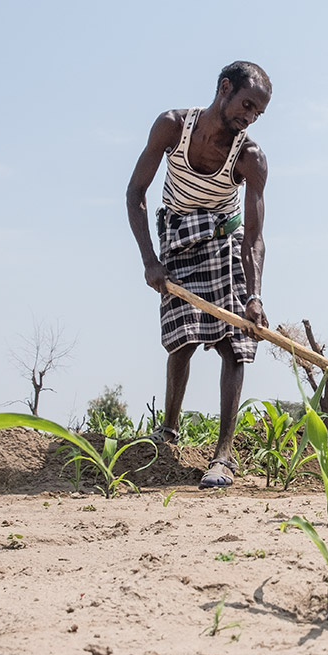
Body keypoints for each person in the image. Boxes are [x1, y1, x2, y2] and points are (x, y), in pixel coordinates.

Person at [125, 61, 271, 488]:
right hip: (177, 235)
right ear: (224, 88)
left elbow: (255, 239)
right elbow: (136, 192)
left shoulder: (250, 157)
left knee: (235, 342)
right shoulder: (173, 127)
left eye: (257, 113)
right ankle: (167, 433)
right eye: (246, 105)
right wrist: (150, 261)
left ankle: (223, 457)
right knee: (181, 339)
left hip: (224, 238)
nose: (249, 116)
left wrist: (255, 295)